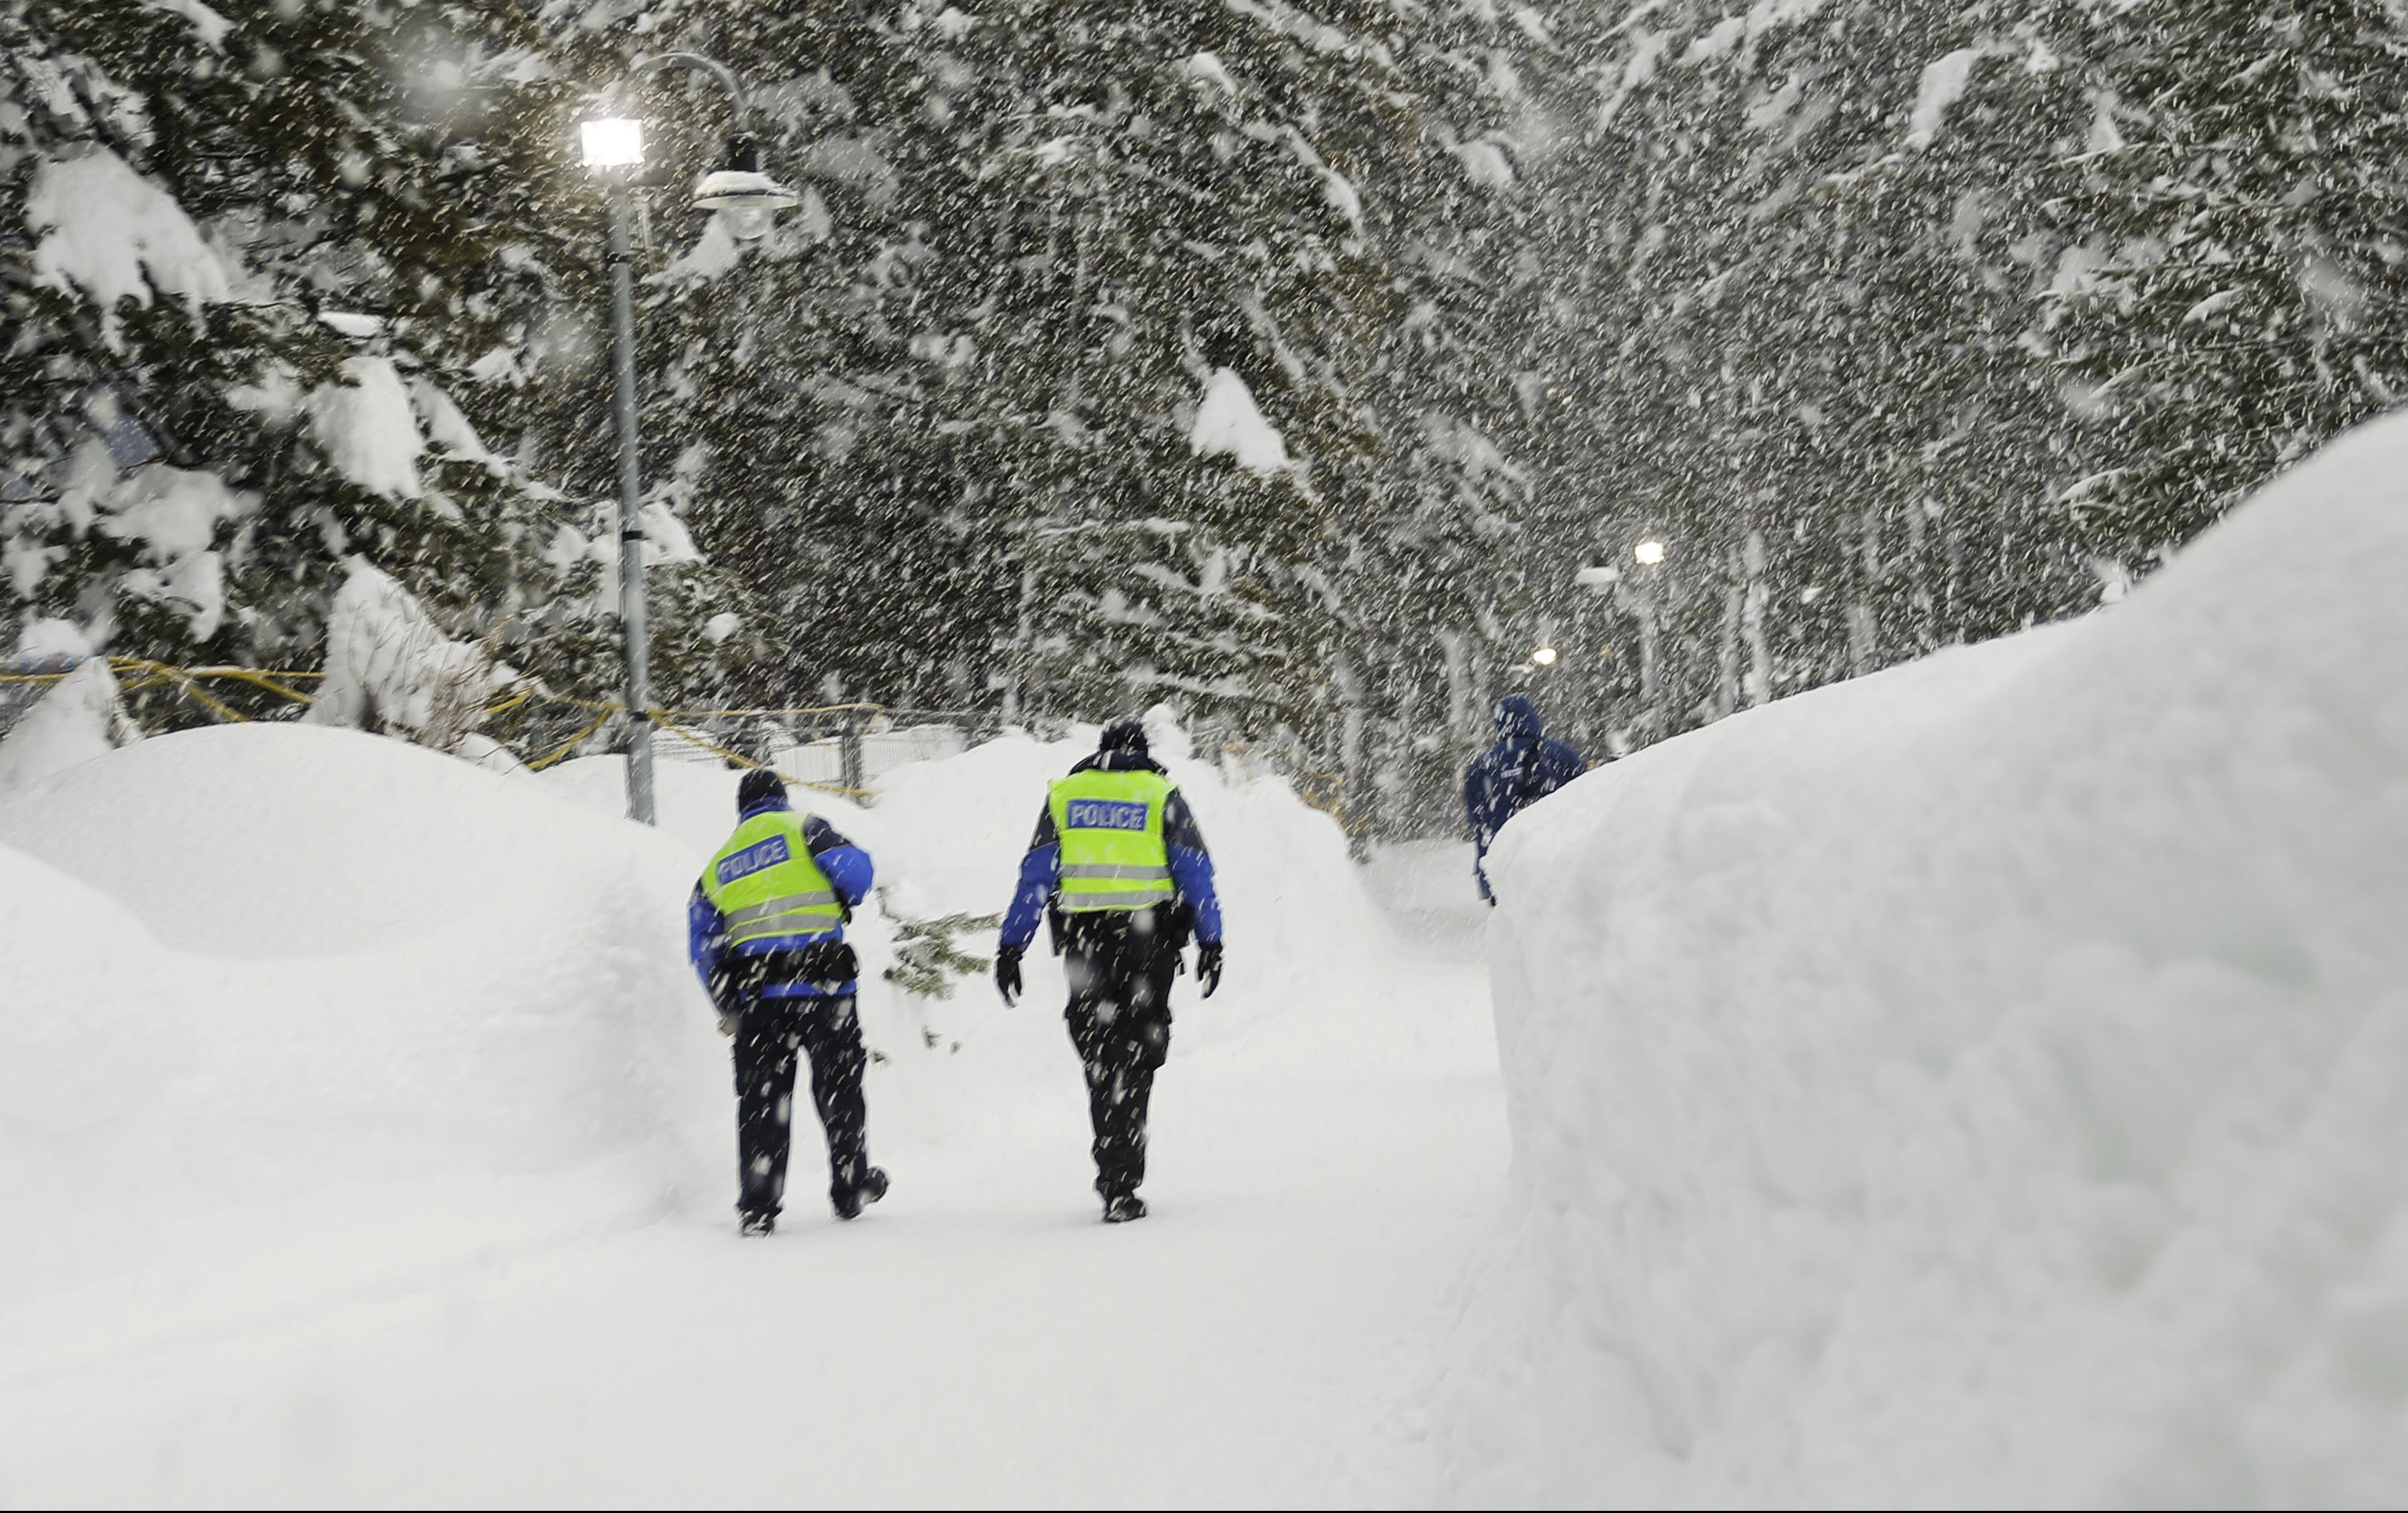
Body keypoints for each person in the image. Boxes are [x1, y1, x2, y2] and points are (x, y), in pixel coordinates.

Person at [993, 717, 1224, 1223]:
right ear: (1141, 751)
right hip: (1150, 946)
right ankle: (1123, 1172)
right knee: (1139, 1054)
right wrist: (1211, 940)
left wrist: (1012, 944)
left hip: (1085, 945)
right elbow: (1195, 872)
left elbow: (1035, 875)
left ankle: (1113, 1168)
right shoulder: (1161, 793)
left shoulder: (1065, 796)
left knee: (1099, 1054)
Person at [689, 768, 885, 1236]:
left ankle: (758, 1206)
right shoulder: (806, 829)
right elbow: (858, 876)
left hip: (759, 1002)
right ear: (780, 798)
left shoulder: (718, 865)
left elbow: (703, 950)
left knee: (761, 1104)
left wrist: (729, 1009)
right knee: (839, 1091)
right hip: (824, 991)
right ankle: (851, 1186)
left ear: (742, 809)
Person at [1463, 692, 1586, 904]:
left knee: (1510, 926)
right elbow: (1588, 797)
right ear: (1532, 718)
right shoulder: (1560, 754)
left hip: (1502, 864)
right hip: (1556, 859)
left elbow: (1476, 820)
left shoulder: (1481, 766)